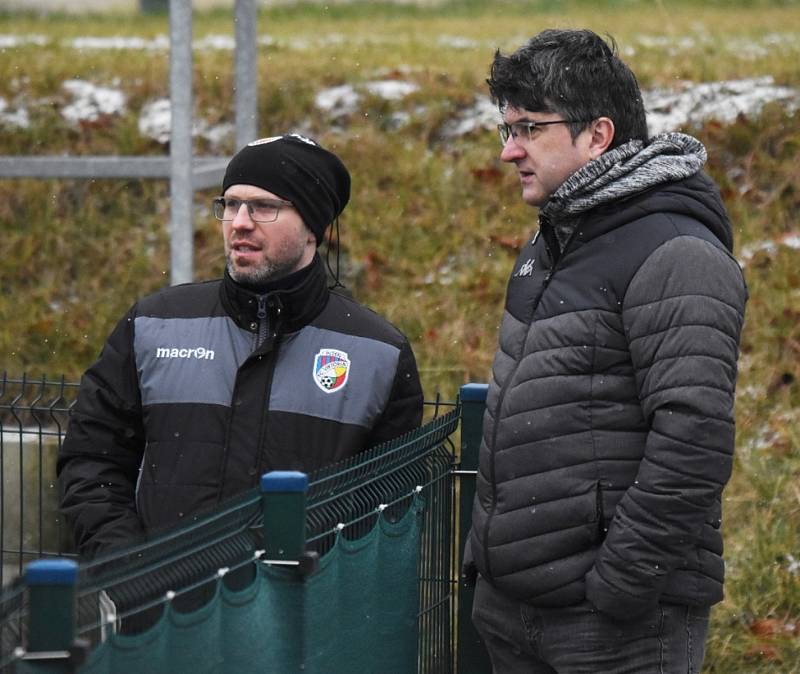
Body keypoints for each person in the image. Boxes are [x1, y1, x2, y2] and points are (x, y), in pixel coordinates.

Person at [462, 29, 748, 673]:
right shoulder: (551, 244)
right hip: (517, 610)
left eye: (529, 128)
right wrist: (489, 567)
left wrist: (619, 589)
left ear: (598, 134)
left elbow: (693, 441)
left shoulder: (676, 253)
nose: (509, 152)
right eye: (504, 129)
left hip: (615, 629)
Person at [58, 133, 424, 560]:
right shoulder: (154, 325)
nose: (240, 222)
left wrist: (323, 595)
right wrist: (130, 570)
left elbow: (388, 513)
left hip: (302, 617)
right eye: (231, 204)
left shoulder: (377, 353)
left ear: (314, 226)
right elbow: (92, 461)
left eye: (264, 206)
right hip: (165, 615)